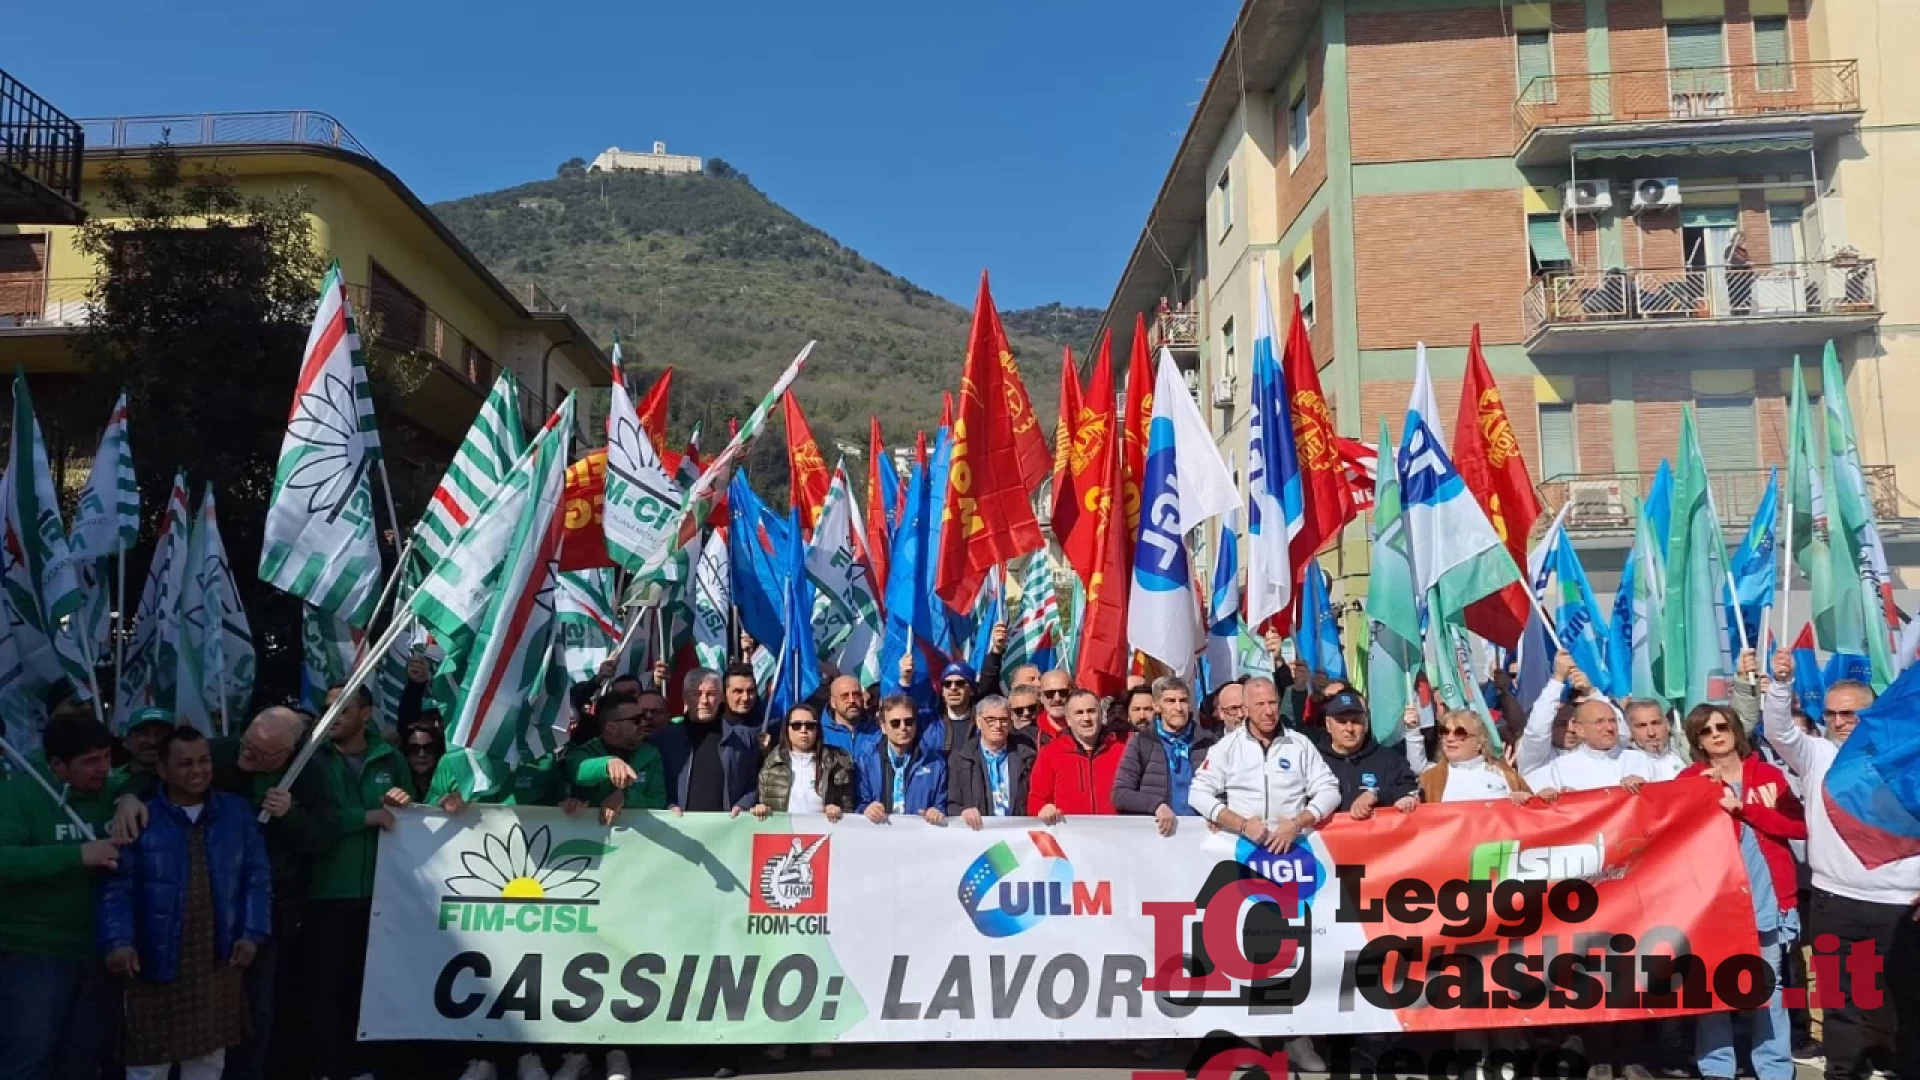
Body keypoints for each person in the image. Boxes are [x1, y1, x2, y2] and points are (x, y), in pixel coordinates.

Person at [110, 707, 333, 1080]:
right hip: (160, 945)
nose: (199, 770)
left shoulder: (306, 774)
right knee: (149, 1054)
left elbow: (278, 864)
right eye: (245, 745)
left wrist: (291, 815)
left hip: (235, 933)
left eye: (259, 755)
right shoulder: (213, 757)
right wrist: (128, 797)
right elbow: (119, 885)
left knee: (239, 1027)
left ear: (286, 755)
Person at [1764, 651, 1919, 1080]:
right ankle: (1843, 1071)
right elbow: (1778, 732)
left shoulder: (1908, 758)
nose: (1839, 722)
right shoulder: (1816, 754)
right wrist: (1780, 685)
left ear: (1873, 714)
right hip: (1837, 902)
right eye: (1832, 714)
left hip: (1901, 905)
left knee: (1908, 1000)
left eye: (1850, 713)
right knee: (1839, 1001)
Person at [1186, 675, 1339, 1070]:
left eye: (1273, 703)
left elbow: (1329, 789)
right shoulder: (1227, 748)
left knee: (1296, 950)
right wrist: (1237, 821)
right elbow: (1198, 793)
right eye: (1260, 705)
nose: (1269, 711)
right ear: (1246, 710)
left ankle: (1298, 1041)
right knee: (1248, 950)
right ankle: (1246, 1039)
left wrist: (1300, 821)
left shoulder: (1300, 744)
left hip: (1292, 857)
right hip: (1246, 857)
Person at [101, 726, 272, 1080]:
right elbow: (118, 889)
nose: (198, 771)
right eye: (186, 763)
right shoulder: (140, 818)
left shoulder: (236, 813)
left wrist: (252, 933)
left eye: (204, 761)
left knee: (208, 1061)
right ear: (162, 769)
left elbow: (256, 879)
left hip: (216, 957)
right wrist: (118, 941)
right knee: (147, 1065)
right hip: (153, 958)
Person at [1680, 703, 1805, 1080]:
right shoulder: (1689, 780)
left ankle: (1775, 1069)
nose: (1716, 734)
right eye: (1706, 730)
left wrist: (1746, 810)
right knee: (1714, 983)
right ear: (1697, 740)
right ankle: (1717, 1069)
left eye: (1722, 726)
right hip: (1714, 901)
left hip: (1767, 897)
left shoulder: (1768, 775)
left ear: (1736, 729)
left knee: (1769, 984)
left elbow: (1796, 826)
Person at [0, 714, 128, 1080]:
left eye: (106, 756)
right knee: (29, 1056)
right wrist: (77, 855)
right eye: (90, 761)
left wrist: (131, 796)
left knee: (83, 1060)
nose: (103, 769)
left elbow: (143, 781)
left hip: (99, 953)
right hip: (35, 953)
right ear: (57, 765)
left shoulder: (116, 790)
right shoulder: (19, 794)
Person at [308, 681, 405, 1080]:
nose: (332, 717)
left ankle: (363, 1065)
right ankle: (325, 1068)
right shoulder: (312, 760)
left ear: (366, 714)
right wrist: (364, 817)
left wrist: (404, 801)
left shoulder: (390, 759)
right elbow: (314, 818)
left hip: (379, 894)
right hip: (326, 890)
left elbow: (413, 810)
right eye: (328, 708)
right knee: (323, 988)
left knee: (365, 987)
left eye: (343, 709)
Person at [1520, 660, 1655, 798]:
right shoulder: (1558, 767)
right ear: (1581, 729)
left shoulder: (1638, 760)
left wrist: (1591, 691)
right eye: (1599, 722)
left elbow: (1663, 803)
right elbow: (1536, 732)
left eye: (1612, 721)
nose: (1609, 727)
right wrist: (1557, 680)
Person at [1111, 677, 1217, 834]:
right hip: (1158, 837)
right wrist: (1156, 805)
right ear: (1156, 706)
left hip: (1200, 836)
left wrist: (1217, 811)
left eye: (1183, 700)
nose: (1178, 707)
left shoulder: (1208, 742)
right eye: (1170, 701)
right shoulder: (1141, 742)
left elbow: (1226, 789)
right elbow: (1120, 794)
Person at [655, 669, 762, 813]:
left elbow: (758, 781)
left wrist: (743, 805)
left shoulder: (744, 738)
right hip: (677, 828)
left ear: (721, 697)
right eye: (697, 694)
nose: (704, 701)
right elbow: (654, 784)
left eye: (711, 694)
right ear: (685, 698)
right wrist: (669, 805)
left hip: (730, 829)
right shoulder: (665, 740)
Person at [566, 691, 670, 824]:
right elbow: (577, 770)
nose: (644, 723)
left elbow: (658, 803)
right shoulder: (584, 752)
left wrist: (625, 796)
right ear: (612, 727)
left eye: (643, 717)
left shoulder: (651, 755)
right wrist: (607, 764)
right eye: (636, 720)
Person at [1313, 689, 1419, 818]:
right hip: (1325, 837)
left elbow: (1410, 790)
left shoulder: (1390, 759)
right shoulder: (1313, 759)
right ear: (1328, 725)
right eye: (1342, 722)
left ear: (1366, 724)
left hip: (1376, 835)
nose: (1349, 728)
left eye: (1356, 721)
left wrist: (1376, 795)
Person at [1028, 689, 1127, 821]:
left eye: (1091, 711)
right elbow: (1036, 800)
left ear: (1101, 715)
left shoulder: (1122, 750)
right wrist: (1043, 809)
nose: (1086, 718)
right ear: (1068, 719)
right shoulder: (1050, 753)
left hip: (1115, 836)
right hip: (1069, 837)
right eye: (1079, 713)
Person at [752, 704, 855, 823]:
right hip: (783, 835)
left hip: (824, 834)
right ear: (787, 729)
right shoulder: (771, 763)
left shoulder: (836, 763)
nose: (803, 730)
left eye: (810, 725)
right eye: (796, 725)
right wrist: (761, 808)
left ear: (817, 729)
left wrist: (838, 810)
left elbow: (848, 807)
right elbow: (764, 802)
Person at [856, 696, 947, 823]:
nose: (903, 727)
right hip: (879, 836)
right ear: (883, 727)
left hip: (920, 837)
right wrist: (866, 809)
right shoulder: (866, 761)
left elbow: (943, 805)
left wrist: (937, 811)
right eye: (895, 723)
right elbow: (858, 803)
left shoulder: (935, 763)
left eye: (909, 722)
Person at [949, 696, 1036, 828]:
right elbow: (951, 803)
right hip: (980, 834)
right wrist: (963, 812)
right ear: (978, 721)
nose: (998, 725)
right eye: (991, 720)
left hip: (1018, 834)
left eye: (1004, 720)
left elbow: (1037, 797)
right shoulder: (961, 758)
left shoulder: (1027, 756)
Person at [1415, 708, 1532, 804]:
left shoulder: (1505, 774)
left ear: (1479, 743)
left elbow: (1535, 812)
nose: (1450, 739)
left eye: (1460, 733)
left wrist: (1526, 800)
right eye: (1445, 732)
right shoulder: (1430, 779)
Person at [1625, 699, 1689, 780]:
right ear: (1630, 730)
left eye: (1655, 723)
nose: (1651, 733)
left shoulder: (1686, 751)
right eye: (1642, 726)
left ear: (1667, 724)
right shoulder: (1625, 764)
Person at [821, 676, 879, 758]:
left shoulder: (877, 731)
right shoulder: (820, 734)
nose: (852, 700)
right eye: (845, 696)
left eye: (856, 695)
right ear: (833, 702)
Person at [120, 708, 178, 781]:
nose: (152, 741)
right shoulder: (108, 781)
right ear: (126, 741)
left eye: (161, 734)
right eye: (143, 734)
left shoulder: (185, 781)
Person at [937, 662, 979, 752]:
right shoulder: (931, 722)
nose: (953, 688)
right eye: (947, 684)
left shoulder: (982, 723)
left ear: (971, 690)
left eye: (959, 683)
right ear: (942, 692)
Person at [1036, 670, 1073, 740]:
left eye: (1063, 692)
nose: (1057, 699)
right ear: (1041, 697)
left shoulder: (1089, 729)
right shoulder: (1030, 736)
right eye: (1049, 693)